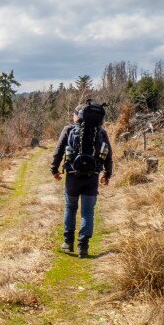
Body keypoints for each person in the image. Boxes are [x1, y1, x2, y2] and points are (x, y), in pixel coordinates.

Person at [50, 103, 113, 258]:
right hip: (92, 177)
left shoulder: (69, 130)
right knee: (87, 211)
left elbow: (58, 152)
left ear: (78, 116)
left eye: (74, 114)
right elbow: (108, 155)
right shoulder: (101, 132)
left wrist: (54, 170)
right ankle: (83, 247)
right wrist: (107, 174)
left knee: (70, 208)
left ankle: (68, 243)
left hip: (72, 176)